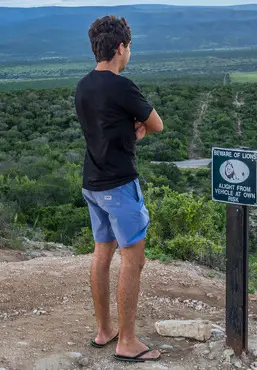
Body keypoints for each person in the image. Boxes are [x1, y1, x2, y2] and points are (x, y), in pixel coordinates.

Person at [75, 15, 164, 363]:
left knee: (101, 255)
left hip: (92, 183)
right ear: (119, 47)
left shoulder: (83, 85)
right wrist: (138, 128)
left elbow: (103, 127)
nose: (129, 53)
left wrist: (129, 131)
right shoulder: (122, 86)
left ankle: (104, 330)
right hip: (119, 185)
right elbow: (156, 123)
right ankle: (127, 341)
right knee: (133, 260)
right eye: (129, 47)